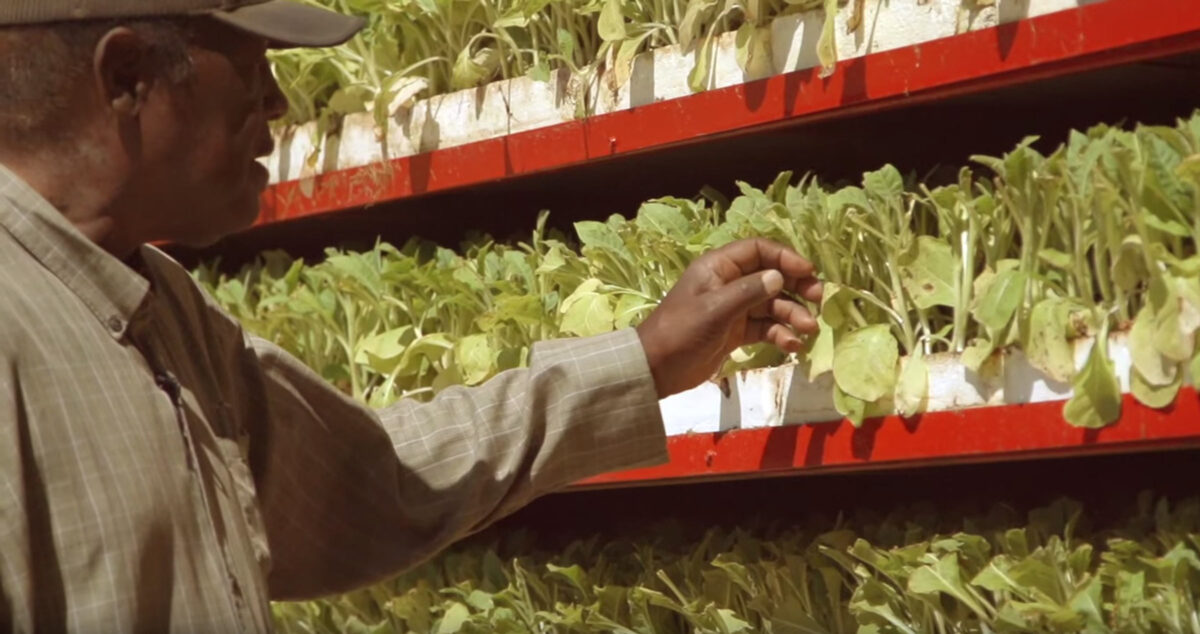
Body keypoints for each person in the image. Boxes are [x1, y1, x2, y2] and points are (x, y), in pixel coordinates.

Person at [0, 1, 824, 631]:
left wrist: (646, 361)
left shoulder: (164, 310)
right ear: (127, 78)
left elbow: (371, 482)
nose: (280, 105)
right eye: (251, 67)